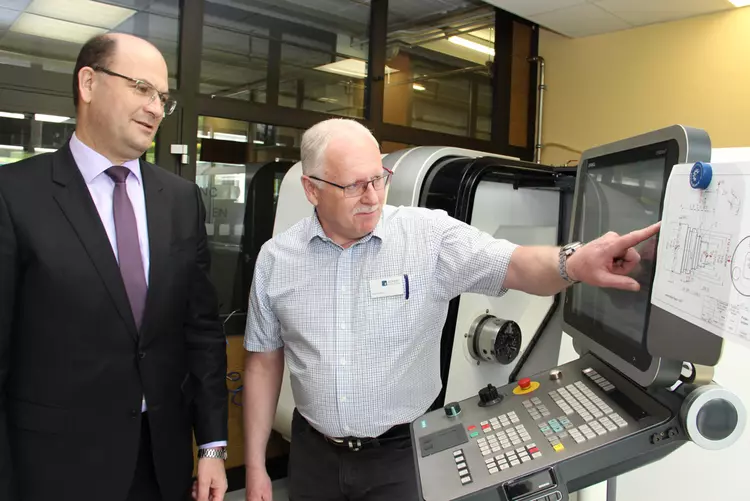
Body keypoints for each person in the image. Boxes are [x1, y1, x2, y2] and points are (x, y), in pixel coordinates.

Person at [241, 118, 660, 501]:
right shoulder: (277, 259)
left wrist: (574, 262)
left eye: (378, 179)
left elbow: (515, 264)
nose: (372, 197)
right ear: (312, 188)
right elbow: (263, 363)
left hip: (403, 456)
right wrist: (257, 465)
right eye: (353, 185)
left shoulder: (428, 237)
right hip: (314, 454)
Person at [0, 34, 228, 501]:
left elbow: (201, 332)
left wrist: (211, 447)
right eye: (142, 88)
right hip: (52, 466)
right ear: (88, 83)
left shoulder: (181, 201)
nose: (156, 107)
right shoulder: (15, 195)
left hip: (159, 462)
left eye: (163, 98)